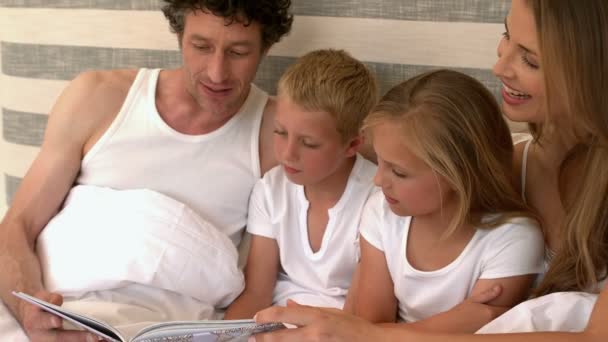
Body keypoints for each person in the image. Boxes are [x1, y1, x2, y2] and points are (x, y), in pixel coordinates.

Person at [251, 0, 608, 341]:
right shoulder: (504, 165)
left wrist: (374, 337)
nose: (500, 67)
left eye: (530, 60)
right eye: (506, 36)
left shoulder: (504, 222)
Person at [0, 0, 293, 341]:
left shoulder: (281, 133)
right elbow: (16, 226)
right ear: (180, 34)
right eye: (201, 47)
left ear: (266, 48)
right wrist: (30, 313)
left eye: (239, 52)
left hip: (165, 329)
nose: (217, 72)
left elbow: (361, 142)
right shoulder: (99, 97)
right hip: (51, 313)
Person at [353, 69, 544, 332]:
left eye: (398, 172)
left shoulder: (513, 238)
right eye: (379, 160)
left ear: (460, 174)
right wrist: (461, 318)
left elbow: (484, 333)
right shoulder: (380, 212)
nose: (378, 180)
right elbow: (368, 329)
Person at [224, 49, 378, 319]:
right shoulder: (271, 190)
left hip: (340, 327)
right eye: (280, 132)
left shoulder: (376, 199)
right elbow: (256, 294)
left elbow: (365, 318)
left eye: (309, 143)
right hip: (276, 322)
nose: (286, 154)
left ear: (353, 144)